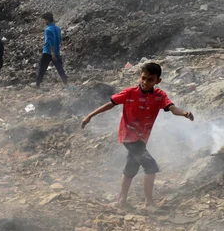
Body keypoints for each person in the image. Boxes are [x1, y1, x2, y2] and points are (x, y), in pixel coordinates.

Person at [81, 63, 194, 211]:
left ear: (157, 81)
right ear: (139, 77)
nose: (146, 82)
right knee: (151, 166)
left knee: (131, 167)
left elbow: (172, 108)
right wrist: (90, 116)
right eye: (143, 78)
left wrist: (184, 113)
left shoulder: (160, 96)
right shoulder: (129, 93)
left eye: (150, 80)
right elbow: (110, 104)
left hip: (142, 138)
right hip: (129, 136)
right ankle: (149, 203)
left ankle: (121, 200)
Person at [35, 12, 68, 89]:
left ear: (47, 20)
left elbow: (51, 41)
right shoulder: (58, 28)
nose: (44, 22)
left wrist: (52, 53)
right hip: (56, 52)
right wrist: (55, 51)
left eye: (45, 20)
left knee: (42, 69)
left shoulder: (48, 29)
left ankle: (37, 85)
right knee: (60, 68)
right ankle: (66, 83)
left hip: (48, 52)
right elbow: (59, 40)